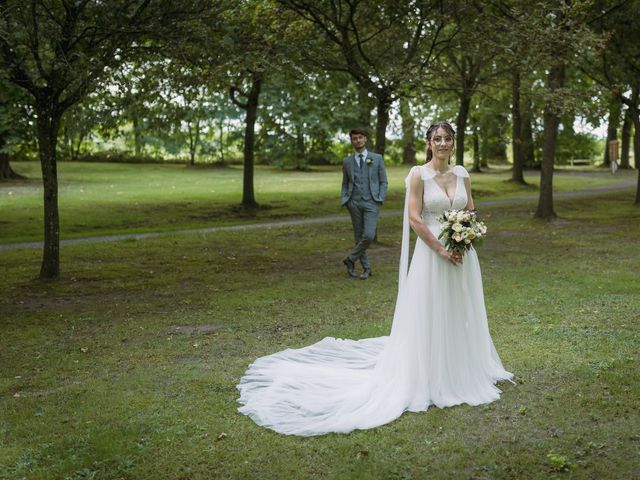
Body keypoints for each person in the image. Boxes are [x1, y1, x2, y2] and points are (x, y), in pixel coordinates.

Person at [237, 121, 513, 436]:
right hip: (432, 255)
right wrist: (440, 248)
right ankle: (432, 372)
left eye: (448, 138)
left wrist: (468, 235)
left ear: (454, 142)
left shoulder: (463, 174)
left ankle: (463, 367)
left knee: (460, 308)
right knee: (432, 310)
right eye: (437, 138)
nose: (443, 143)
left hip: (462, 254)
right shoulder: (418, 175)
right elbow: (414, 218)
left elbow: (471, 210)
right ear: (428, 143)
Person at [340, 128, 388, 280]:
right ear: (352, 141)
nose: (358, 140)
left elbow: (383, 181)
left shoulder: (377, 158)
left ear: (365, 139)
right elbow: (345, 183)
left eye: (360, 137)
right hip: (353, 203)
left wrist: (380, 197)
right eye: (355, 138)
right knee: (359, 236)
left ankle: (351, 259)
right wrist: (345, 200)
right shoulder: (347, 161)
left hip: (371, 202)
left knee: (368, 235)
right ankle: (366, 268)